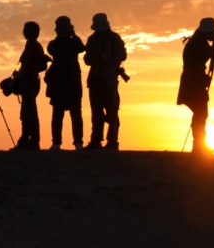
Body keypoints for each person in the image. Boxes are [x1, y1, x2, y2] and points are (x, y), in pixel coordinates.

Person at [178, 18, 214, 154]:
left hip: (194, 79)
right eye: (212, 33)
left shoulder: (197, 41)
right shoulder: (198, 44)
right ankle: (199, 146)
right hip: (194, 80)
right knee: (201, 112)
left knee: (200, 113)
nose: (213, 36)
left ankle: (199, 145)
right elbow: (209, 54)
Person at [84, 13, 127, 150]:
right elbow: (87, 59)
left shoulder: (115, 38)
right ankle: (96, 141)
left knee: (112, 111)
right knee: (96, 112)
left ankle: (112, 141)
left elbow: (122, 55)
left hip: (109, 80)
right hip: (96, 79)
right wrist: (96, 58)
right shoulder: (92, 39)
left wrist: (108, 59)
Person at [44, 16, 86, 150]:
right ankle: (78, 142)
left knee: (58, 113)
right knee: (75, 114)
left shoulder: (53, 44)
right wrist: (73, 34)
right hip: (72, 81)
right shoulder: (72, 43)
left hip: (59, 82)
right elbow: (81, 47)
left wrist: (68, 35)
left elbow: (80, 48)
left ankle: (57, 143)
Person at [11, 21, 50, 151]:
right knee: (26, 112)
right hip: (30, 82)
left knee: (29, 113)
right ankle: (26, 139)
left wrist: (14, 80)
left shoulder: (33, 46)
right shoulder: (34, 46)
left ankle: (32, 141)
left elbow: (27, 67)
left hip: (29, 83)